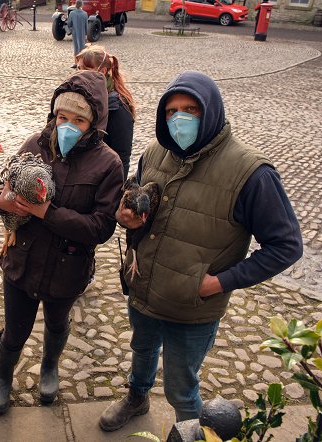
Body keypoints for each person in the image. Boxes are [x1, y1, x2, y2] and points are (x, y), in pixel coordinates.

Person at [98, 71, 303, 431]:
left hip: (192, 307)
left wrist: (218, 283)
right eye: (172, 110)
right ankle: (137, 396)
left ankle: (191, 433)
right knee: (141, 351)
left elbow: (286, 246)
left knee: (181, 386)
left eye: (190, 109)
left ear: (211, 111)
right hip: (144, 288)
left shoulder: (251, 172)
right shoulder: (155, 151)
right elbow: (137, 200)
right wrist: (128, 215)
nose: (179, 118)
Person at [0, 70, 124, 414]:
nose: (68, 125)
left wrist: (46, 211)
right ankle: (3, 376)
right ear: (53, 114)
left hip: (68, 268)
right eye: (62, 116)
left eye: (79, 120)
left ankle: (49, 366)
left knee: (58, 322)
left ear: (93, 123)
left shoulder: (108, 163)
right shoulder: (35, 143)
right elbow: (1, 188)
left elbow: (101, 227)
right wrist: (0, 202)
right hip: (22, 260)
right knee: (15, 330)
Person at [76, 45, 135, 178]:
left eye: (86, 69)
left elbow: (122, 156)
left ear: (102, 71)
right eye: (78, 68)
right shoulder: (81, 95)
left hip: (102, 179)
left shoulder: (118, 107)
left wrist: (114, 190)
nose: (80, 74)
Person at [68, 0, 87, 68]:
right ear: (82, 5)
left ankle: (76, 63)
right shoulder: (85, 13)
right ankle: (82, 63)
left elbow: (69, 23)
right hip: (82, 32)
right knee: (82, 48)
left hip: (75, 33)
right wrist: (86, 34)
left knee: (76, 47)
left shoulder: (72, 13)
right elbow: (86, 25)